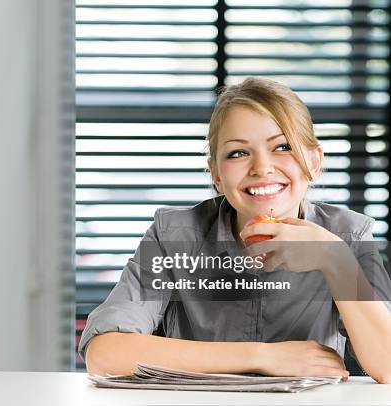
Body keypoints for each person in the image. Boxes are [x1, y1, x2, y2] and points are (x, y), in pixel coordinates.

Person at [77, 77, 391, 383]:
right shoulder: (175, 236)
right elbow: (105, 354)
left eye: (282, 147)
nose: (262, 167)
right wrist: (265, 357)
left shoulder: (347, 235)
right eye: (238, 153)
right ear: (215, 173)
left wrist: (335, 261)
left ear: (314, 160)